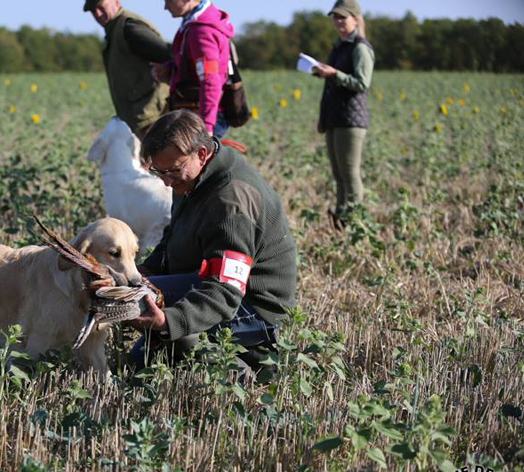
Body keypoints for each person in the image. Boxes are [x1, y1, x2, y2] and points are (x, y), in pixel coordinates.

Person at [125, 110, 297, 377]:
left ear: (202, 154)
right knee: (137, 351)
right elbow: (172, 236)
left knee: (164, 336)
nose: (167, 182)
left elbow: (226, 291)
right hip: (206, 282)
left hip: (253, 308)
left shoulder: (231, 202)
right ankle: (179, 345)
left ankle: (246, 371)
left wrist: (170, 321)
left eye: (172, 171)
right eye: (159, 172)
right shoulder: (190, 178)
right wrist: (147, 271)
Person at [313, 0, 375, 230]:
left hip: (351, 119)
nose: (338, 21)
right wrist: (322, 117)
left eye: (343, 17)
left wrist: (335, 73)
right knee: (338, 174)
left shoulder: (360, 47)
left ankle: (356, 221)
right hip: (334, 117)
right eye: (335, 17)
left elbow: (362, 83)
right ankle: (340, 220)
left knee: (350, 173)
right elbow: (331, 86)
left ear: (355, 19)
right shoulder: (339, 47)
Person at [84, 0, 171, 139]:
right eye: (93, 11)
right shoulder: (114, 29)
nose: (98, 14)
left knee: (158, 158)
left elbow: (167, 55)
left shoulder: (129, 28)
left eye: (101, 7)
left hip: (152, 115)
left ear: (116, 2)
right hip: (141, 115)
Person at [152, 0, 234, 139]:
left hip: (200, 116)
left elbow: (210, 79)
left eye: (169, 1)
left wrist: (206, 126)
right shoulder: (194, 24)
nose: (165, 7)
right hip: (200, 113)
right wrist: (169, 68)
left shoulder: (201, 31)